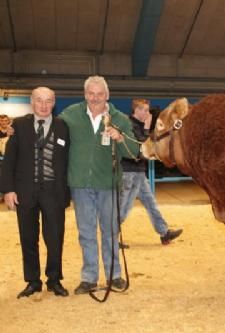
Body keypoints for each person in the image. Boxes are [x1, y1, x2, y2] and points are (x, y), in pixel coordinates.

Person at [59, 76, 140, 295]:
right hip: (80, 184)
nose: (95, 98)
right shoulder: (70, 115)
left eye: (100, 94)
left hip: (108, 184)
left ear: (107, 95)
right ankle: (89, 278)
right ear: (85, 94)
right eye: (91, 94)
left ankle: (114, 275)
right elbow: (52, 134)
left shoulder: (120, 119)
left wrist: (121, 138)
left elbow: (134, 153)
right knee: (86, 232)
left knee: (110, 231)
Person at [0, 87, 70, 298]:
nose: (43, 105)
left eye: (48, 101)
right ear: (32, 102)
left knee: (55, 238)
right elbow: (9, 160)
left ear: (54, 102)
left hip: (54, 192)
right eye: (39, 100)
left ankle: (54, 279)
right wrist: (8, 190)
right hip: (25, 192)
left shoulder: (63, 127)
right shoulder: (19, 126)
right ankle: (32, 281)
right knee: (28, 238)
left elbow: (68, 159)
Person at [119, 98, 182, 248]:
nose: (147, 113)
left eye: (148, 110)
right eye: (145, 110)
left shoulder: (140, 125)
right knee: (124, 207)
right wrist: (147, 129)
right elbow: (140, 146)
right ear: (137, 110)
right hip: (129, 172)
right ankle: (111, 237)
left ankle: (164, 232)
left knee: (150, 203)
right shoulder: (129, 125)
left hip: (139, 172)